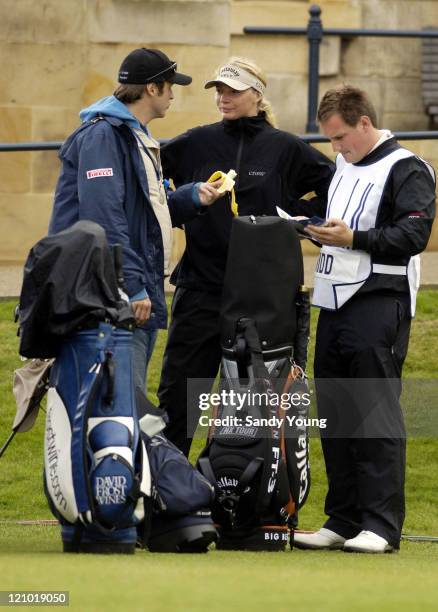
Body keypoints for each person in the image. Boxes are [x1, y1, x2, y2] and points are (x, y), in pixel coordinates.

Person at [157, 56, 335, 455]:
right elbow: (150, 182)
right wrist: (180, 208)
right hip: (200, 287)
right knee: (181, 395)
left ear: (257, 95)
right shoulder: (195, 141)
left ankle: (239, 493)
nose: (224, 97)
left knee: (252, 402)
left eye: (233, 90)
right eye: (219, 89)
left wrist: (300, 219)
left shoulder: (286, 148)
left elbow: (335, 185)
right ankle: (165, 495)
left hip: (262, 295)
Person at [293, 85, 436, 553]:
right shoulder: (343, 167)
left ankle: (381, 524)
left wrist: (353, 237)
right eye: (330, 140)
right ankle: (343, 519)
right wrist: (317, 229)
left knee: (376, 414)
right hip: (333, 303)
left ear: (364, 124)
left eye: (340, 138)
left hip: (380, 302)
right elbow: (343, 226)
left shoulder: (407, 167)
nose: (336, 148)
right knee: (336, 415)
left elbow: (413, 234)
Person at [49, 48, 222, 394]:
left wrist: (192, 197)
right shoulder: (103, 136)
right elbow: (104, 220)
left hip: (131, 292)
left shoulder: (134, 136)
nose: (174, 94)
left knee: (125, 406)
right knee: (116, 410)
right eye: (170, 86)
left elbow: (141, 215)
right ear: (152, 89)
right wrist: (131, 285)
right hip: (112, 299)